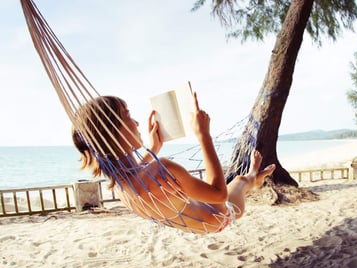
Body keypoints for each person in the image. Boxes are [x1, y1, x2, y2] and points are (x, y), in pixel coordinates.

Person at [72, 94, 275, 234]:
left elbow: (137, 174)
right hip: (220, 216)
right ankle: (253, 178)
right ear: (112, 133)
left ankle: (254, 177)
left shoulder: (119, 184)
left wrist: (154, 148)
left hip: (194, 219)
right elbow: (219, 195)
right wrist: (203, 135)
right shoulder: (163, 169)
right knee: (239, 182)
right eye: (127, 115)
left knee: (241, 180)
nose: (136, 123)